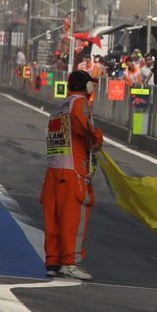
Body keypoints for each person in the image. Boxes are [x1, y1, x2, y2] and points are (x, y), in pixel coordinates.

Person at [40, 70, 103, 280]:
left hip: (53, 173)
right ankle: (70, 263)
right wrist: (96, 137)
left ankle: (53, 262)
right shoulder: (79, 102)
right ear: (85, 86)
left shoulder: (59, 108)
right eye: (91, 84)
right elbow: (80, 124)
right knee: (73, 219)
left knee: (54, 219)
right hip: (73, 172)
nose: (93, 88)